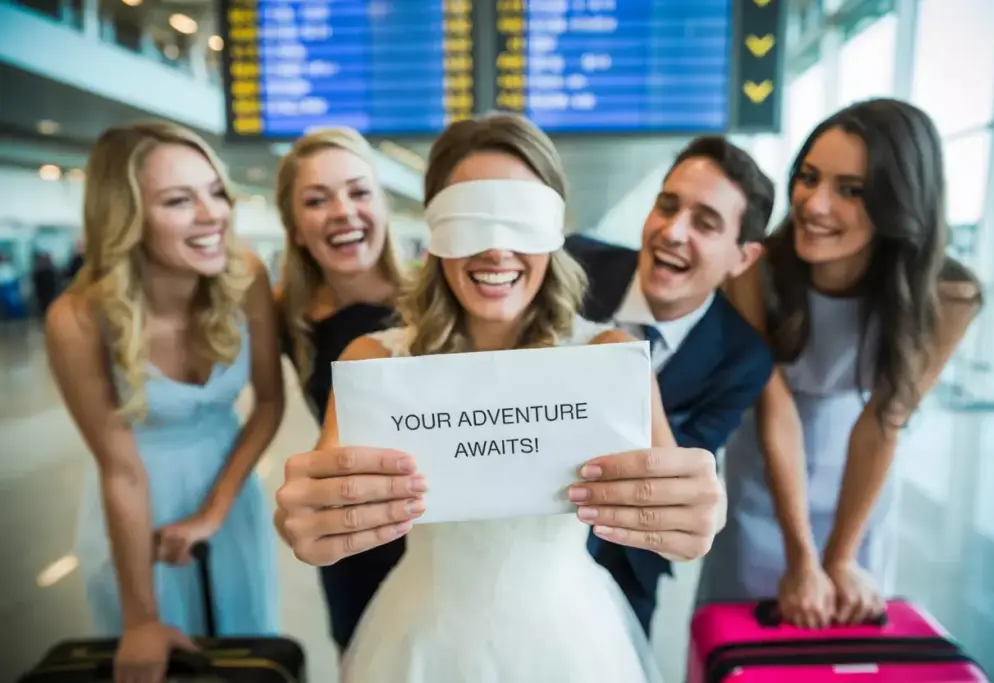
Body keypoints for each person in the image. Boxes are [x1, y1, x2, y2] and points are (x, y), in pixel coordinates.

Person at [274, 112, 725, 682]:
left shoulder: (607, 360)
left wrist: (698, 511)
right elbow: (321, 506)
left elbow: (672, 498)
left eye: (520, 219)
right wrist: (310, 518)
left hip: (571, 639)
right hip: (424, 637)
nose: (496, 249)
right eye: (470, 221)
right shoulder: (376, 362)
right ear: (436, 227)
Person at [698, 98, 983, 628]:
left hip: (860, 482)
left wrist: (840, 556)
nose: (814, 204)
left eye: (851, 191)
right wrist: (804, 558)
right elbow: (773, 406)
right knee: (746, 624)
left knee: (846, 629)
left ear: (900, 201)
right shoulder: (754, 270)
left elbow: (883, 421)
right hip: (763, 468)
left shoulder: (949, 294)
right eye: (808, 178)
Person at [45, 121, 284, 681]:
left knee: (247, 644)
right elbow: (121, 469)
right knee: (155, 656)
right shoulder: (78, 319)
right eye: (179, 200)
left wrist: (213, 514)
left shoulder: (243, 272)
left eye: (215, 191)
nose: (212, 215)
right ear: (126, 216)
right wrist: (141, 618)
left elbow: (269, 403)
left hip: (230, 493)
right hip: (137, 507)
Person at [566, 136, 776, 636]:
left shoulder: (742, 357)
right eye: (666, 206)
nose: (673, 231)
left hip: (627, 555)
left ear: (742, 258)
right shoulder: (573, 264)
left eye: (705, 223)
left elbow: (681, 465)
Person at [274, 128, 407, 662]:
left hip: (429, 528)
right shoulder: (289, 313)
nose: (342, 211)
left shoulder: (436, 302)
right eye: (316, 199)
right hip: (350, 529)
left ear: (382, 206)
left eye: (358, 192)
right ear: (296, 230)